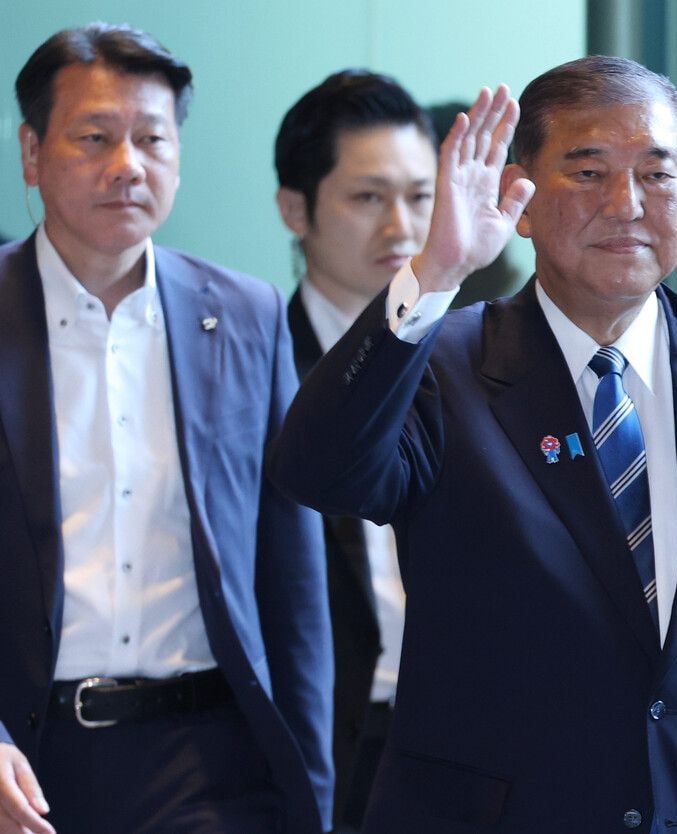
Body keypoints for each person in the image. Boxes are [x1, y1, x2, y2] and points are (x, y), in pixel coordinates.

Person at [268, 55, 677, 833]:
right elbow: (317, 471)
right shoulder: (442, 373)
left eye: (656, 175)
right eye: (588, 173)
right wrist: (435, 270)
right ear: (519, 197)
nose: (626, 204)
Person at [0, 23, 333, 834]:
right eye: (95, 137)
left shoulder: (246, 315)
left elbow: (291, 576)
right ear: (32, 153)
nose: (128, 165)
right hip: (26, 758)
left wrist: (311, 793)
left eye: (152, 139)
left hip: (209, 762)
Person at [273, 68, 436, 832]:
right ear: (295, 209)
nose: (402, 228)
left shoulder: (476, 357)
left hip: (456, 736)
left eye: (421, 197)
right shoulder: (256, 364)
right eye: (369, 198)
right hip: (321, 734)